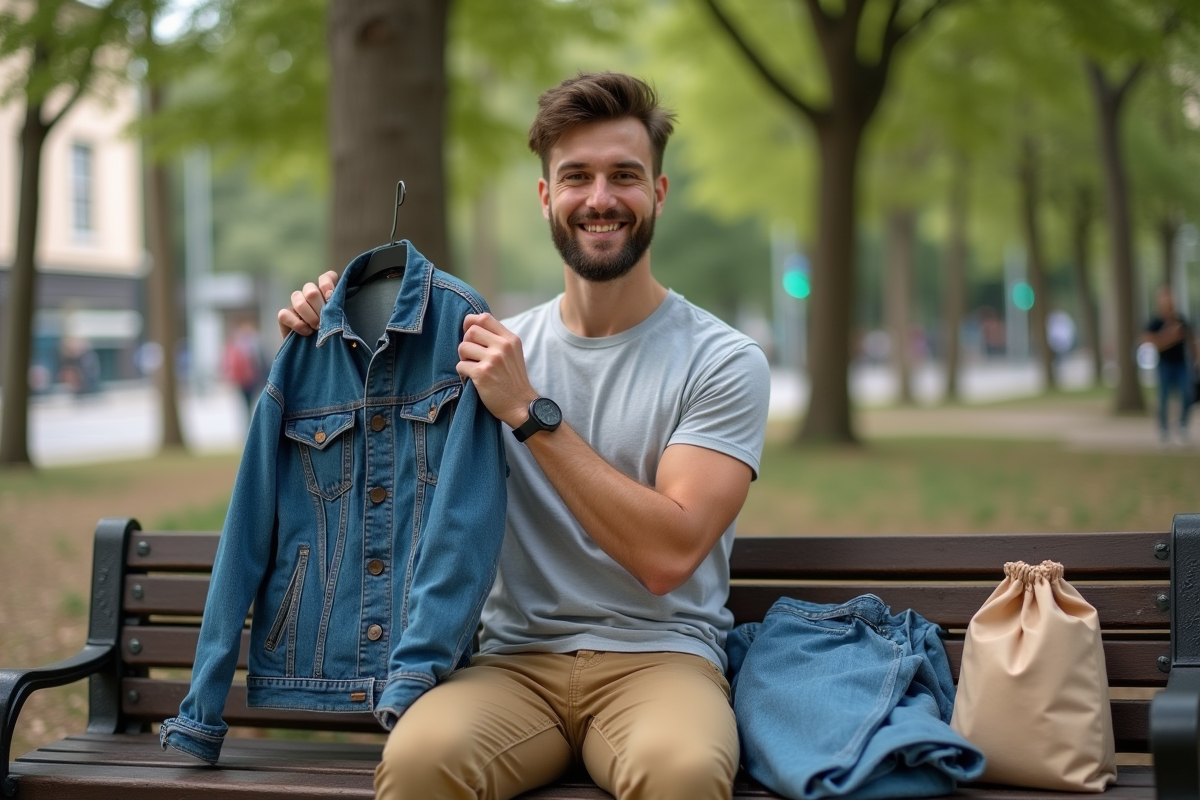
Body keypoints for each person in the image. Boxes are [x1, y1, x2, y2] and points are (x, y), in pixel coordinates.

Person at [279, 72, 770, 800]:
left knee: (683, 772)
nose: (600, 198)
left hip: (660, 659)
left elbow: (668, 556)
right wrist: (330, 328)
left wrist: (530, 412)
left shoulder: (722, 360)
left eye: (624, 176)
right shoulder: (486, 346)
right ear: (546, 197)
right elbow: (370, 443)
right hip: (511, 664)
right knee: (419, 761)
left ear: (657, 194)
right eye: (576, 176)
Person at [1143, 286, 1200, 445]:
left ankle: (1182, 426)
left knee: (1187, 394)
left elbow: (1192, 340)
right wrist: (1170, 336)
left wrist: (1197, 361)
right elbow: (1149, 341)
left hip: (1182, 364)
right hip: (1165, 365)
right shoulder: (1155, 322)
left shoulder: (1181, 320)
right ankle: (1163, 430)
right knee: (1163, 398)